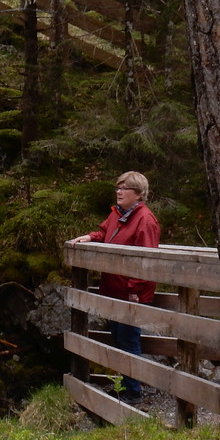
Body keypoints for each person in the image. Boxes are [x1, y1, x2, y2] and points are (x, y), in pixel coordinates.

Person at [71, 171, 160, 404]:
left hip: (131, 293)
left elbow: (147, 260)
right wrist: (90, 237)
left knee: (129, 340)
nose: (119, 192)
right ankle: (127, 386)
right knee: (119, 339)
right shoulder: (117, 214)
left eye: (125, 189)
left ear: (138, 194)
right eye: (118, 188)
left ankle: (133, 391)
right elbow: (104, 233)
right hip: (113, 289)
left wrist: (134, 288)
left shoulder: (145, 220)